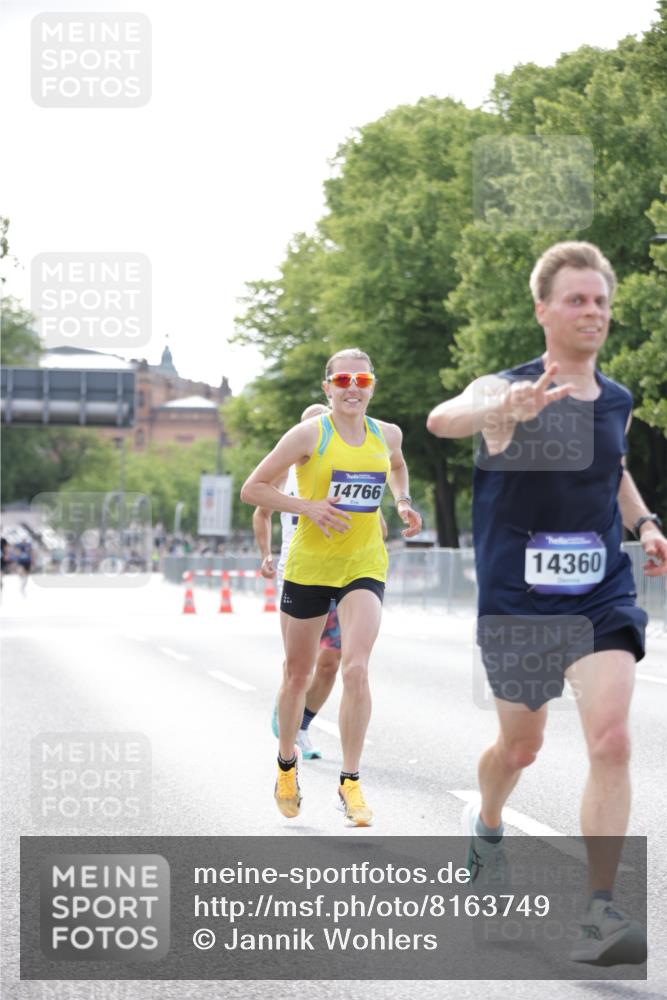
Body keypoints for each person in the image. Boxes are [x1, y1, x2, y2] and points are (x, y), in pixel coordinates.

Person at [427, 241, 666, 966]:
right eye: (575, 299)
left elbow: (612, 470)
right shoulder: (502, 388)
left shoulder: (617, 400)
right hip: (518, 597)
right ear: (542, 310)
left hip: (598, 591)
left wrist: (645, 524)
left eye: (599, 300)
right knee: (520, 746)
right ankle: (488, 823)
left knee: (612, 741)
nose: (590, 311)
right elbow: (444, 420)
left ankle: (599, 912)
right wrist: (503, 408)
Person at [241, 349, 421, 826]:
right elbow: (253, 490)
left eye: (361, 378)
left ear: (372, 385)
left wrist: (402, 502)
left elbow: (398, 466)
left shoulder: (388, 435)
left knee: (355, 668)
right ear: (328, 387)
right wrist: (310, 507)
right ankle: (285, 766)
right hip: (310, 566)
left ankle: (352, 782)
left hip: (363, 564)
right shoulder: (307, 435)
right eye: (342, 379)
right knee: (297, 674)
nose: (352, 387)